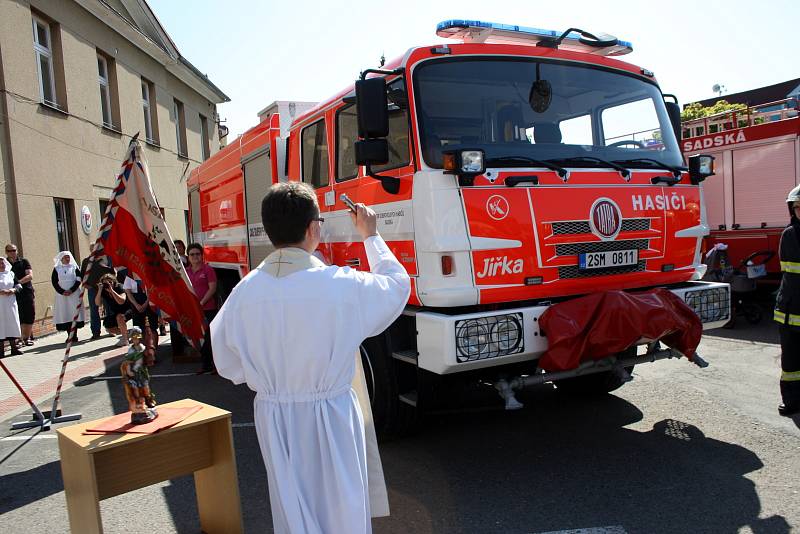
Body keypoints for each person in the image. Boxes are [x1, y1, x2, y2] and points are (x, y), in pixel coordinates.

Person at [211, 182, 410, 534]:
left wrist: (274, 380)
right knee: (341, 511)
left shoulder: (243, 294)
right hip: (331, 412)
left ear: (269, 230)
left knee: (292, 513)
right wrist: (371, 236)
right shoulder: (340, 285)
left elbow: (227, 362)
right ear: (314, 228)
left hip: (275, 416)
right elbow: (396, 285)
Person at [774, 185, 800, 416]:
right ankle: (791, 401)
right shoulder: (791, 234)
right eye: (798, 207)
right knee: (791, 362)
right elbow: (793, 275)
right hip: (792, 309)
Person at [185, 243, 217, 374]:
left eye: (197, 254)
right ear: (188, 257)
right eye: (192, 254)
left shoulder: (208, 269)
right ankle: (206, 365)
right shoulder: (185, 272)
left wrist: (201, 303)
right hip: (193, 311)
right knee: (199, 338)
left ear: (201, 255)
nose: (195, 257)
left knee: (209, 338)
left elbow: (212, 288)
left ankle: (215, 365)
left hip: (208, 309)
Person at [80, 245, 114, 340]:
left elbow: (112, 272)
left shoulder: (105, 259)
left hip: (105, 288)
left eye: (98, 249)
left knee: (109, 308)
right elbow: (82, 275)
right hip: (93, 289)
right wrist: (86, 285)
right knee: (94, 310)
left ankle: (111, 328)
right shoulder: (86, 261)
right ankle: (95, 331)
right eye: (94, 249)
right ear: (90, 250)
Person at [51, 251, 85, 343]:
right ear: (61, 259)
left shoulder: (74, 267)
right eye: (65, 257)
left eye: (68, 257)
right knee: (65, 314)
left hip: (74, 295)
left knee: (74, 314)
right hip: (62, 297)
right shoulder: (57, 269)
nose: (67, 259)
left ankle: (74, 335)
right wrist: (62, 291)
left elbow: (78, 279)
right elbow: (54, 282)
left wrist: (71, 290)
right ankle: (69, 335)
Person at [5, 244, 34, 346]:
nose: (12, 252)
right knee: (19, 316)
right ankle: (20, 339)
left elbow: (30, 276)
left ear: (17, 251)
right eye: (10, 251)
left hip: (27, 292)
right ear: (6, 252)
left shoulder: (24, 261)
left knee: (29, 315)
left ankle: (27, 338)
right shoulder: (4, 264)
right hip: (13, 294)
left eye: (14, 250)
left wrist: (18, 283)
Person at [95, 272, 129, 347]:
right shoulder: (104, 291)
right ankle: (128, 334)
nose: (109, 284)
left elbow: (122, 301)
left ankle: (125, 339)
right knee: (108, 327)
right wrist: (100, 290)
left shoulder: (119, 287)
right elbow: (97, 303)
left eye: (110, 282)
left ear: (114, 281)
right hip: (117, 311)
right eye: (106, 283)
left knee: (119, 317)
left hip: (129, 309)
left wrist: (112, 291)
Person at [0, 256, 23, 357]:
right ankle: (1, 351)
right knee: (1, 325)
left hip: (11, 302)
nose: (2, 265)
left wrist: (11, 291)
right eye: (0, 263)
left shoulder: (11, 273)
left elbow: (18, 286)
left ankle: (14, 348)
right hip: (0, 304)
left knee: (12, 323)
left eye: (3, 262)